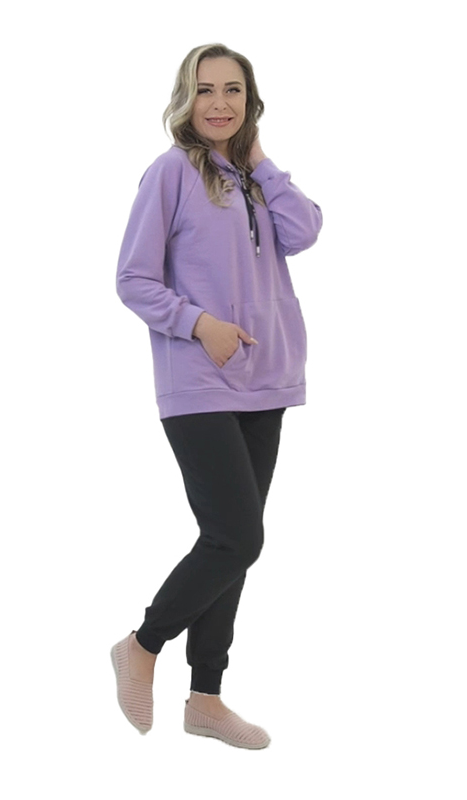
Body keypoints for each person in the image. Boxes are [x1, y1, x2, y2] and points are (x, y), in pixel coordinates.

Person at [110, 43, 322, 749]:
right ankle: (143, 643)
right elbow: (132, 279)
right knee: (238, 535)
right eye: (205, 90)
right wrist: (200, 324)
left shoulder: (257, 179)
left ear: (250, 101)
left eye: (233, 90)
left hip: (267, 377)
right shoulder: (169, 172)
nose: (220, 103)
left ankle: (205, 698)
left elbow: (305, 231)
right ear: (185, 98)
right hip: (199, 378)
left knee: (230, 545)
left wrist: (259, 158)